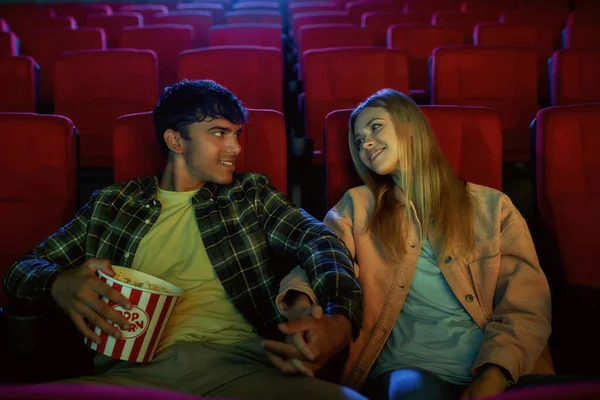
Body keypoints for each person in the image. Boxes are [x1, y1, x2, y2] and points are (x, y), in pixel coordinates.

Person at [1, 80, 365, 400]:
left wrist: (340, 316)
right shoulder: (113, 203)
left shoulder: (250, 194)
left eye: (237, 134)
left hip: (244, 368)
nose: (236, 147)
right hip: (130, 376)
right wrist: (58, 282)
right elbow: (20, 271)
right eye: (219, 133)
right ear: (175, 140)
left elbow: (320, 241)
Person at [263, 89, 555, 399]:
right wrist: (303, 309)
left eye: (375, 127)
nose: (366, 144)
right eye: (359, 141)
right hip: (408, 369)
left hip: (497, 368)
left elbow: (527, 304)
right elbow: (319, 259)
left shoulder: (493, 207)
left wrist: (494, 375)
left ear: (410, 125)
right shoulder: (357, 206)